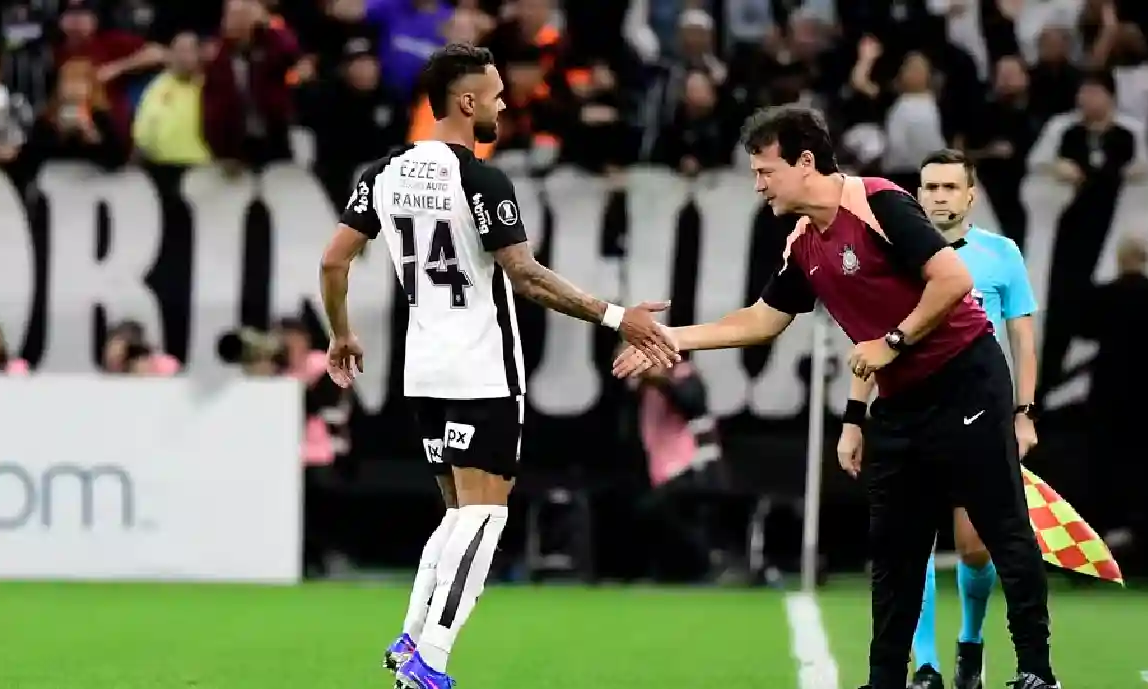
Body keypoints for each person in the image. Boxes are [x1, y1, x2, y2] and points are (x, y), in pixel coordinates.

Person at [613, 105, 1058, 689]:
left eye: (765, 171)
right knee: (894, 552)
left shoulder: (880, 203)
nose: (757, 185)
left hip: (966, 380)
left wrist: (891, 341)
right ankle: (885, 681)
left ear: (804, 162)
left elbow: (953, 280)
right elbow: (763, 320)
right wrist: (671, 338)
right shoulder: (803, 241)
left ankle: (1036, 673)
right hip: (900, 402)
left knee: (1002, 530)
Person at [318, 43, 678, 689]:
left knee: (458, 515)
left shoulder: (383, 172)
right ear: (466, 102)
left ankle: (410, 636)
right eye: (495, 92)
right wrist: (617, 316)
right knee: (486, 517)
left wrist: (341, 335)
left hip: (423, 368)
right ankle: (432, 658)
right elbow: (527, 277)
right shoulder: (479, 179)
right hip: (481, 366)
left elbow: (333, 261)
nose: (504, 103)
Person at [840, 149, 1041, 689]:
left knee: (978, 543)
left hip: (975, 411)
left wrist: (1023, 412)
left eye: (951, 187)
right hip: (909, 413)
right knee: (911, 543)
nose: (939, 196)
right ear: (917, 193)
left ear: (970, 195)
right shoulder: (895, 251)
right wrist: (854, 417)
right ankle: (924, 666)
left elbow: (1021, 337)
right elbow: (872, 340)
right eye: (930, 187)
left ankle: (970, 645)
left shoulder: (1000, 255)